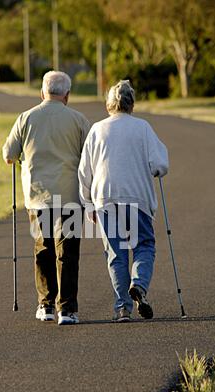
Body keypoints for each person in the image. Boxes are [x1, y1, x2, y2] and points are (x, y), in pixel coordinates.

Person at [3, 71, 90, 325]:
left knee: (43, 248)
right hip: (70, 195)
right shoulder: (78, 119)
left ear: (42, 92)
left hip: (38, 197)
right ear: (67, 95)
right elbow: (90, 155)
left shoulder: (26, 118)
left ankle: (46, 305)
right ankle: (68, 309)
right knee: (69, 251)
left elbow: (9, 153)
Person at [78, 80, 169, 322]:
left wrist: (87, 203)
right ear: (132, 103)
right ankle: (138, 284)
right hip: (136, 196)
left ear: (109, 104)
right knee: (144, 246)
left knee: (116, 253)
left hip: (105, 197)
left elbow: (84, 170)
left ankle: (122, 308)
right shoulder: (142, 127)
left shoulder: (97, 129)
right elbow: (160, 164)